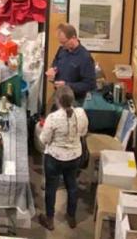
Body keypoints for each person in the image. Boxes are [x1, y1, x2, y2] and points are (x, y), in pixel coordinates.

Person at [38, 86, 88, 231]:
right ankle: (71, 216)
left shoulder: (53, 118)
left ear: (57, 100)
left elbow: (44, 139)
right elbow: (83, 132)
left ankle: (49, 220)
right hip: (74, 157)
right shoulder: (81, 113)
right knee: (72, 186)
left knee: (51, 188)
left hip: (54, 157)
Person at [45, 23, 97, 103]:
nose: (62, 45)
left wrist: (67, 85)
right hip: (60, 96)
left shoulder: (85, 57)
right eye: (60, 42)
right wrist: (53, 69)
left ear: (73, 38)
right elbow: (56, 61)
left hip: (75, 101)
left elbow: (90, 85)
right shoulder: (62, 49)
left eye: (64, 42)